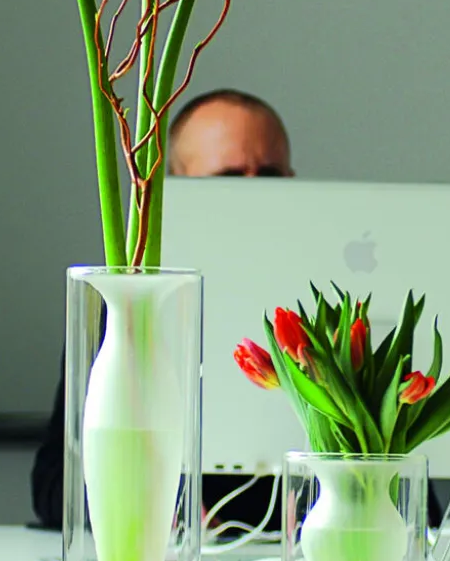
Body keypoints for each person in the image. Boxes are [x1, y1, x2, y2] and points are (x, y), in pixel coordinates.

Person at [30, 89, 294, 529]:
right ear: (173, 188)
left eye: (269, 176)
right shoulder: (127, 306)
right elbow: (54, 485)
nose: (252, 196)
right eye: (227, 179)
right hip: (168, 553)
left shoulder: (323, 310)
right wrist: (150, 512)